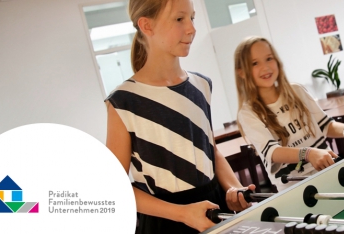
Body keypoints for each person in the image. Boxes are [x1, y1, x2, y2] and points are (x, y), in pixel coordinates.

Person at [105, 0, 253, 233]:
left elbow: (211, 152)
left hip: (214, 210)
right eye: (179, 19)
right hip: (165, 222)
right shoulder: (124, 100)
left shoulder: (202, 85)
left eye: (192, 18)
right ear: (147, 25)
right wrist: (182, 214)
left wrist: (234, 189)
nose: (192, 28)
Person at [234, 36, 344, 191]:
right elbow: (273, 152)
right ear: (242, 73)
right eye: (255, 63)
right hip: (297, 188)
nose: (265, 67)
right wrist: (309, 154)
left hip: (329, 172)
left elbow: (326, 125)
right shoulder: (248, 113)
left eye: (269, 58)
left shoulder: (297, 91)